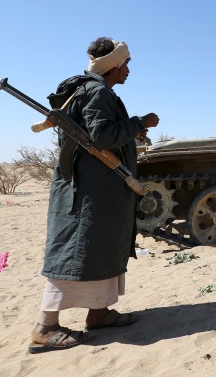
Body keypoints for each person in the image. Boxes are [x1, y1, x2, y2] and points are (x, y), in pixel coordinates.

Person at [28, 37, 160, 354]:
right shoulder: (98, 91)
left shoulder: (88, 90)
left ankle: (98, 314)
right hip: (90, 192)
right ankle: (45, 327)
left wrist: (130, 130)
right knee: (76, 250)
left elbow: (100, 132)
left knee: (99, 248)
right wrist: (141, 122)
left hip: (97, 190)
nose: (128, 69)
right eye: (125, 63)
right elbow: (102, 136)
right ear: (114, 65)